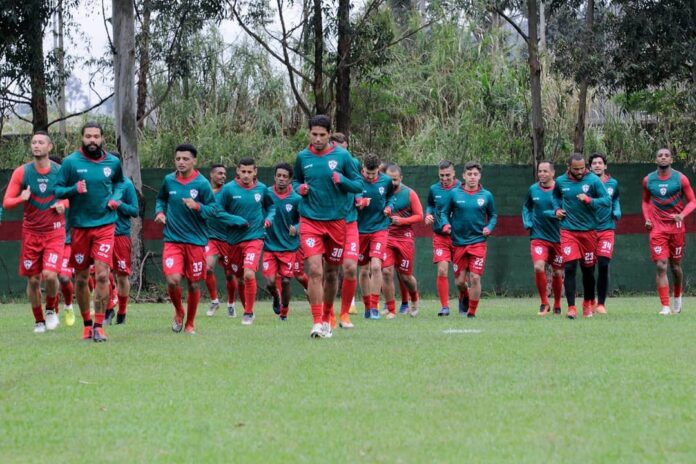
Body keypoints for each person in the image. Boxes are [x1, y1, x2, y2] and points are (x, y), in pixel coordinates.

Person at [293, 114, 362, 338]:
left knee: (332, 273)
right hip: (310, 221)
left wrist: (342, 181)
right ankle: (315, 322)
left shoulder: (342, 156)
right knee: (314, 269)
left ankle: (327, 316)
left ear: (329, 134)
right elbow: (296, 181)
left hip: (337, 223)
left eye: (322, 135)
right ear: (309, 133)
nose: (318, 139)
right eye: (314, 134)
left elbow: (358, 185)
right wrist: (299, 189)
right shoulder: (302, 157)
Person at [55, 122, 124, 341]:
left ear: (102, 138)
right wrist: (74, 189)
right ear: (82, 138)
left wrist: (115, 198)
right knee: (82, 278)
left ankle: (99, 325)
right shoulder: (70, 163)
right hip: (79, 228)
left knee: (103, 274)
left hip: (105, 225)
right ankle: (86, 324)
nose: (92, 140)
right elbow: (57, 189)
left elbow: (121, 183)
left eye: (96, 136)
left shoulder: (113, 162)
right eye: (88, 136)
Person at [3, 131, 68, 333]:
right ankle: (39, 321)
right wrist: (22, 198)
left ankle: (50, 310)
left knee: (49, 275)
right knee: (32, 280)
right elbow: (6, 203)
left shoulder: (60, 171)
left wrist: (63, 204)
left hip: (54, 232)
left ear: (49, 147)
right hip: (31, 233)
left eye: (41, 142)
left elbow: (71, 196)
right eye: (33, 142)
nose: (36, 145)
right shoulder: (22, 172)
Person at [155, 144, 219, 334]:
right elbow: (161, 199)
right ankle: (179, 312)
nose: (181, 162)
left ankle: (190, 324)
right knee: (173, 280)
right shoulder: (168, 180)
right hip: (172, 240)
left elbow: (213, 210)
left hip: (195, 242)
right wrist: (159, 212)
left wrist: (197, 206)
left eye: (185, 159)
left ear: (194, 161)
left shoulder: (201, 183)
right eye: (178, 159)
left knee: (193, 283)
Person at [551, 153, 610, 319]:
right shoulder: (561, 181)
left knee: (588, 271)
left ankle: (587, 303)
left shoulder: (593, 180)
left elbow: (607, 201)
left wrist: (590, 200)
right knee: (569, 267)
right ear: (568, 167)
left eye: (582, 168)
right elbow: (555, 197)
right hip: (568, 231)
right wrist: (557, 210)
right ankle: (571, 307)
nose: (579, 171)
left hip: (589, 232)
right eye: (576, 169)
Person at [218, 157, 275, 326]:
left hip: (255, 237)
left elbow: (271, 207)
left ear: (255, 172)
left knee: (249, 273)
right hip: (234, 240)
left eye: (250, 172)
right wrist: (235, 219)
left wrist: (269, 219)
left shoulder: (262, 189)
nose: (246, 175)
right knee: (240, 278)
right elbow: (218, 211)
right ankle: (245, 308)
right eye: (243, 171)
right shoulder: (228, 189)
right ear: (237, 171)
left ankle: (249, 312)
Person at [642, 148, 696, 315]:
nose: (663, 158)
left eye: (666, 155)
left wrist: (682, 215)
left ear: (671, 160)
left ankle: (678, 297)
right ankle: (665, 306)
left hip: (677, 228)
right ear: (656, 159)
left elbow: (693, 201)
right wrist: (647, 218)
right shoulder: (648, 180)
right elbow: (645, 201)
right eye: (660, 155)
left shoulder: (681, 179)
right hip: (658, 228)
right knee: (661, 264)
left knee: (675, 266)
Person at [441, 161, 497, 317]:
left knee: (475, 277)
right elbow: (444, 213)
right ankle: (465, 295)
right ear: (463, 176)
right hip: (458, 243)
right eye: (469, 174)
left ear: (479, 176)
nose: (472, 177)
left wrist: (489, 228)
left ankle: (471, 312)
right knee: (459, 282)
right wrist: (446, 224)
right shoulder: (454, 194)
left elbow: (493, 215)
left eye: (475, 174)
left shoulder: (486, 195)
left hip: (478, 242)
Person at [356, 153, 395, 319]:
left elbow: (391, 198)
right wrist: (360, 202)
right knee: (363, 270)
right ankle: (366, 306)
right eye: (367, 173)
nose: (370, 177)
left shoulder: (386, 181)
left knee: (376, 267)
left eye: (374, 173)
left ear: (379, 169)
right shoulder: (357, 180)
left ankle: (374, 307)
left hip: (380, 228)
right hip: (360, 230)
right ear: (363, 169)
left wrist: (389, 208)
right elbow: (352, 199)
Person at [522, 161, 564, 315]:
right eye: (540, 171)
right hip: (538, 236)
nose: (542, 174)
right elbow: (526, 207)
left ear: (553, 173)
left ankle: (558, 304)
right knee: (538, 266)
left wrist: (556, 214)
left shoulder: (560, 190)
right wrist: (527, 221)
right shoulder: (533, 189)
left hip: (559, 238)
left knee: (558, 273)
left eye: (545, 171)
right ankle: (544, 303)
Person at [381, 163, 422, 317]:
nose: (392, 183)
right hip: (387, 236)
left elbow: (419, 216)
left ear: (401, 178)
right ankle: (390, 307)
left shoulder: (409, 193)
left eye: (395, 180)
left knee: (405, 275)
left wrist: (402, 221)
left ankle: (415, 300)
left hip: (405, 238)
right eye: (389, 179)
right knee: (386, 271)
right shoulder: (382, 192)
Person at [262, 163, 301, 320]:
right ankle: (275, 296)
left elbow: (304, 219)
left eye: (285, 176)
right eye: (279, 176)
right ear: (274, 177)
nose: (281, 179)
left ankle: (284, 312)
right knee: (271, 282)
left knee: (286, 281)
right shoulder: (266, 194)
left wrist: (297, 227)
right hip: (269, 245)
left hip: (288, 246)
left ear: (290, 179)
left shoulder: (296, 199)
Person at [330, 132, 360, 327]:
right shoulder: (319, 162)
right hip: (329, 223)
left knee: (350, 268)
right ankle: (328, 315)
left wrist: (359, 199)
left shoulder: (352, 163)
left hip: (350, 223)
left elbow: (359, 185)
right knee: (329, 272)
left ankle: (345, 314)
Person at [424, 160, 462, 316]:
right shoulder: (434, 189)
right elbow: (430, 205)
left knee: (461, 276)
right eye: (441, 175)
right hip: (440, 236)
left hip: (460, 237)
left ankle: (463, 302)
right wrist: (428, 214)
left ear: (454, 174)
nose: (444, 178)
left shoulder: (463, 188)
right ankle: (445, 306)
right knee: (442, 270)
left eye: (448, 175)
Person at [102, 171, 139, 325]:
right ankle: (109, 309)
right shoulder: (98, 182)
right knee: (102, 274)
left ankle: (122, 313)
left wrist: (120, 204)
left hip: (120, 235)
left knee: (122, 276)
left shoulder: (127, 184)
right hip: (101, 234)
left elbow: (135, 211)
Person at [203, 164, 239, 318]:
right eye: (219, 173)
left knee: (230, 274)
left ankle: (231, 304)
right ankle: (214, 300)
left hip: (227, 239)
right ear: (211, 175)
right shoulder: (205, 192)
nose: (223, 176)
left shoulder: (229, 191)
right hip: (210, 238)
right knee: (208, 268)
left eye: (224, 173)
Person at [589, 153, 621, 314]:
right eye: (594, 163)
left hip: (607, 229)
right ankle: (590, 300)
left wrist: (616, 210)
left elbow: (615, 200)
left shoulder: (613, 183)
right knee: (588, 267)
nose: (597, 165)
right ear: (590, 166)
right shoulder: (586, 183)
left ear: (605, 166)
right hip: (588, 230)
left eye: (600, 163)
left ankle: (601, 303)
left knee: (603, 264)